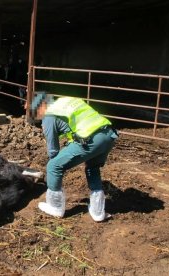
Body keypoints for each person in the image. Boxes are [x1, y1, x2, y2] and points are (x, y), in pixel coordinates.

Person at [30, 92, 118, 221]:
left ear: (42, 105)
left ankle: (55, 207)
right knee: (92, 168)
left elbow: (53, 150)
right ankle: (98, 212)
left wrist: (53, 170)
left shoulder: (49, 115)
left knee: (53, 166)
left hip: (90, 139)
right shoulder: (66, 102)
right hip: (108, 136)